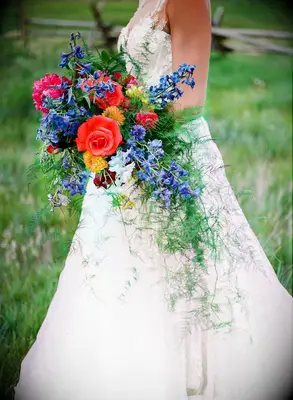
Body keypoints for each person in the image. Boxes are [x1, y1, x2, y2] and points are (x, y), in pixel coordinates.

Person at [15, 1, 293, 399]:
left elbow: (190, 102)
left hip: (167, 157)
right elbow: (133, 78)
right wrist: (94, 110)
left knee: (183, 271)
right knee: (111, 266)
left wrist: (123, 123)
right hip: (128, 155)